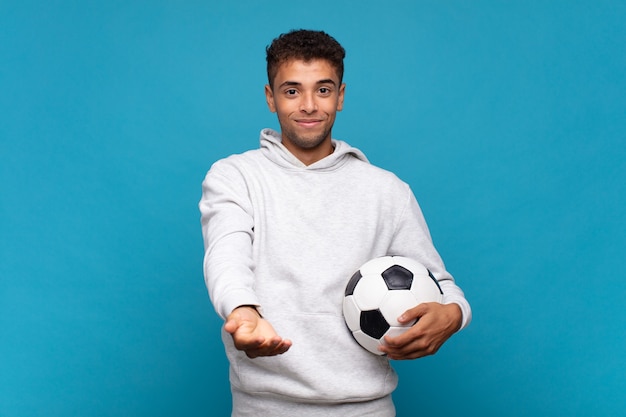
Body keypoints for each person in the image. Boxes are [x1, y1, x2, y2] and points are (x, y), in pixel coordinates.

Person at [199, 29, 471, 417]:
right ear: (269, 97)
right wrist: (242, 309)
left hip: (367, 409)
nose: (308, 105)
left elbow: (444, 287)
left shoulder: (387, 190)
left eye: (323, 90)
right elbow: (226, 251)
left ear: (340, 96)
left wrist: (455, 314)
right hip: (262, 409)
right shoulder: (235, 176)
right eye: (292, 91)